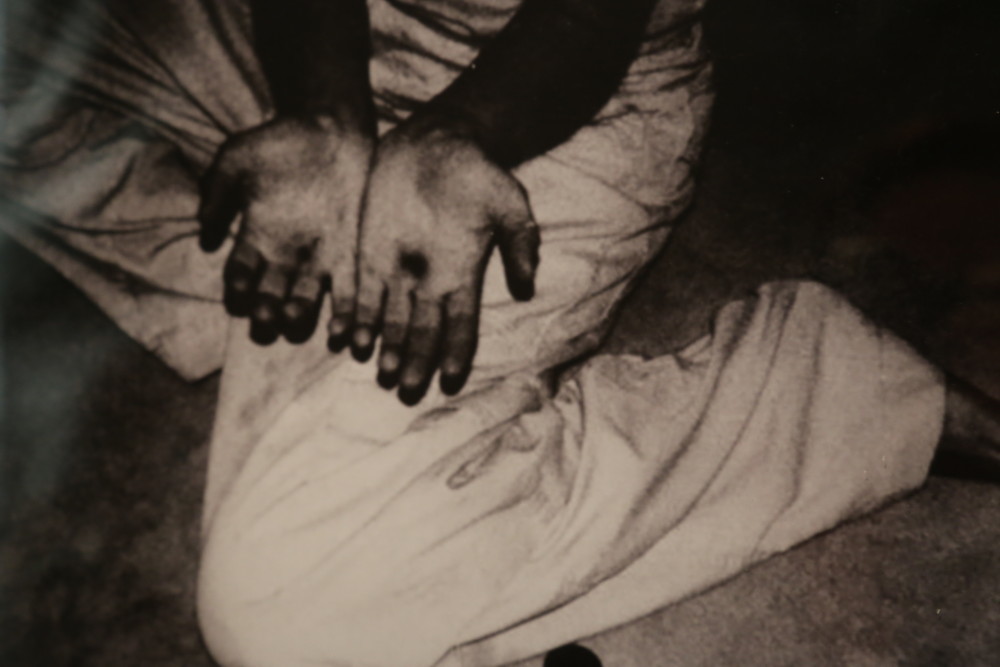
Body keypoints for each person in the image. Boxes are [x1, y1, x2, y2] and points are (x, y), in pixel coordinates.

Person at [2, 1, 998, 665]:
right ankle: (271, 293)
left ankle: (813, 393)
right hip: (329, 38)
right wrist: (323, 114)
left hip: (561, 96)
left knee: (281, 615)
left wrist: (455, 136)